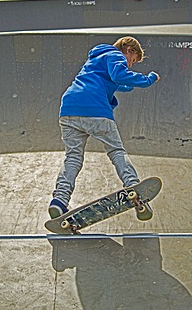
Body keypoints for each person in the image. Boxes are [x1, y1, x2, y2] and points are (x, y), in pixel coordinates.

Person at [48, 36, 160, 219]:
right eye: (132, 60)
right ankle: (134, 188)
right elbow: (119, 75)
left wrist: (128, 84)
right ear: (129, 50)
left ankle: (59, 201)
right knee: (117, 151)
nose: (130, 65)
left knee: (73, 158)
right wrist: (148, 79)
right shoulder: (116, 55)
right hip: (95, 109)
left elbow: (113, 81)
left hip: (69, 109)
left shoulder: (97, 58)